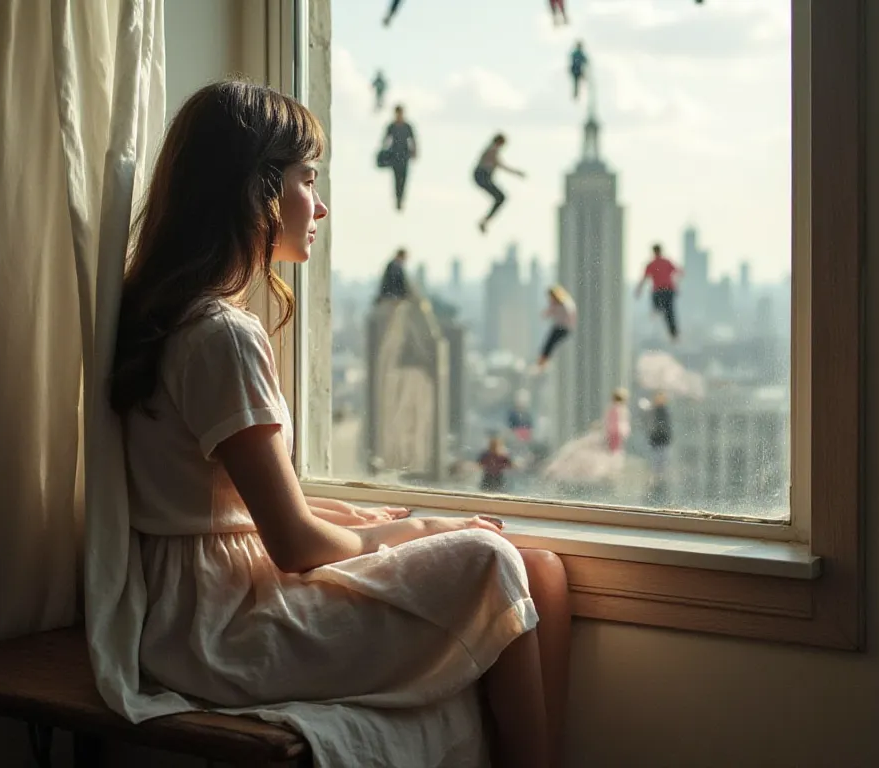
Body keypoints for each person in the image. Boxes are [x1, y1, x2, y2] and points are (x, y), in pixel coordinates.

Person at [109, 81, 568, 768]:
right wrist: (420, 527)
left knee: (542, 568)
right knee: (497, 559)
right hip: (220, 629)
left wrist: (361, 514)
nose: (319, 205)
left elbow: (227, 507)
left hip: (198, 607)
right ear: (256, 191)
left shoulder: (175, 319)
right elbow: (291, 542)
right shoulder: (220, 336)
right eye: (307, 179)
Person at [474, 133, 525, 234]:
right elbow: (500, 165)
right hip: (481, 176)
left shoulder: (491, 150)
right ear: (499, 142)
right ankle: (485, 221)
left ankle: (485, 221)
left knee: (500, 198)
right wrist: (516, 172)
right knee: (501, 197)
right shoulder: (492, 150)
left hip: (482, 176)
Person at [635, 243, 683, 341]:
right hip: (667, 290)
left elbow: (644, 278)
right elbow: (680, 272)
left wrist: (639, 289)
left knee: (666, 310)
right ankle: (673, 332)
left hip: (661, 291)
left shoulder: (652, 264)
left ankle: (671, 330)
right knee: (669, 311)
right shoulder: (665, 262)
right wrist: (676, 284)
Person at [379, 105, 417, 211]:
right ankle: (397, 199)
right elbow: (385, 139)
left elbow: (413, 140)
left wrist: (414, 152)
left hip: (404, 157)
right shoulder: (392, 126)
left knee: (403, 179)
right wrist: (384, 153)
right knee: (396, 179)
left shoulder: (407, 126)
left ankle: (401, 198)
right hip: (395, 157)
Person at [536, 285, 577, 371]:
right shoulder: (559, 304)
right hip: (562, 327)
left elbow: (570, 314)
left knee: (550, 343)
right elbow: (548, 313)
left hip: (562, 328)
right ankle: (542, 362)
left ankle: (542, 363)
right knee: (549, 343)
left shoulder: (564, 303)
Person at [647, 391, 673, 497]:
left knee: (662, 463)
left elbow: (666, 426)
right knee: (657, 463)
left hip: (662, 441)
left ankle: (660, 482)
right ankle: (657, 481)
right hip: (657, 441)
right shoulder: (654, 411)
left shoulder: (663, 411)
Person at [605, 388, 631, 454]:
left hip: (613, 430)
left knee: (613, 447)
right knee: (617, 447)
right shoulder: (622, 409)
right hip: (618, 430)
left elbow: (608, 419)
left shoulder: (611, 408)